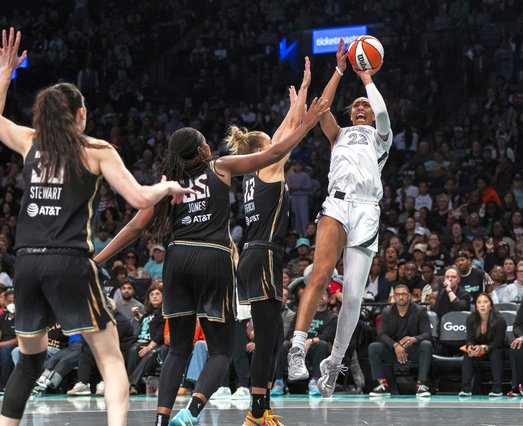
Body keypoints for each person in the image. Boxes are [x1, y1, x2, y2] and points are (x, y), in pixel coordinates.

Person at [0, 28, 191, 426]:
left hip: (25, 265)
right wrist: (166, 184)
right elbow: (140, 199)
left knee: (31, 359)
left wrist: (5, 71)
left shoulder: (31, 142)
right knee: (111, 358)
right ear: (80, 114)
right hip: (69, 263)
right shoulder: (95, 150)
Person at [94, 93, 327, 424]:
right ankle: (190, 413)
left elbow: (133, 228)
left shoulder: (168, 185)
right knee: (220, 350)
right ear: (202, 149)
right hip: (212, 257)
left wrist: (99, 259)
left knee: (177, 348)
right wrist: (306, 122)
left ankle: (161, 420)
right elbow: (274, 152)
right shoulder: (220, 167)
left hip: (176, 259)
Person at [287, 38, 393, 399]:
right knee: (318, 275)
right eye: (357, 107)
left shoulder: (380, 138)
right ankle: (297, 348)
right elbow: (321, 107)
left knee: (352, 298)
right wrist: (339, 70)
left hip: (367, 209)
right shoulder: (339, 134)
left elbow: (382, 114)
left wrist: (366, 80)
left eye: (365, 106)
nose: (362, 109)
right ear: (351, 114)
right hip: (337, 204)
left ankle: (333, 362)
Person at [227, 59, 311, 425]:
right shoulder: (267, 165)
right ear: (263, 148)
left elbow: (281, 132)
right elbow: (288, 134)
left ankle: (261, 408)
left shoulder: (256, 168)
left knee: (273, 336)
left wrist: (297, 101)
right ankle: (256, 412)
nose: (274, 139)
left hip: (260, 255)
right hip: (262, 256)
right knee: (265, 337)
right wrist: (304, 95)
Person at [368, 284, 432, 397]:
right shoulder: (387, 312)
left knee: (426, 345)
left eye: (403, 294)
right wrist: (395, 345)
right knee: (374, 347)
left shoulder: (420, 310)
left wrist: (414, 339)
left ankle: (421, 385)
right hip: (394, 351)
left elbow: (427, 334)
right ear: (394, 297)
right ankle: (383, 385)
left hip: (413, 350)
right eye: (397, 294)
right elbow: (382, 334)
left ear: (409, 296)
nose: (400, 297)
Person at [459, 293, 507, 397]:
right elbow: (470, 339)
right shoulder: (471, 319)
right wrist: (471, 347)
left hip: (497, 348)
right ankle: (465, 389)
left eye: (485, 302)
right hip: (480, 350)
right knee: (468, 354)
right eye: (479, 302)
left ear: (491, 306)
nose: (482, 305)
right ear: (476, 307)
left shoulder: (499, 320)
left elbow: (498, 342)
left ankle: (497, 389)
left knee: (495, 353)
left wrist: (486, 347)